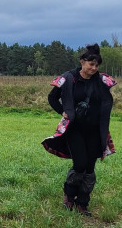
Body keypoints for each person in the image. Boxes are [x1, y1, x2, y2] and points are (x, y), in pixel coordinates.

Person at [42, 44, 116, 216]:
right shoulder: (69, 78)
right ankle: (69, 196)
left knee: (90, 168)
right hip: (74, 129)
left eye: (97, 65)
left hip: (95, 130)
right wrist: (63, 112)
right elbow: (52, 98)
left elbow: (106, 101)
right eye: (91, 64)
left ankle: (83, 202)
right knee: (80, 164)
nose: (94, 68)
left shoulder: (102, 81)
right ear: (82, 62)